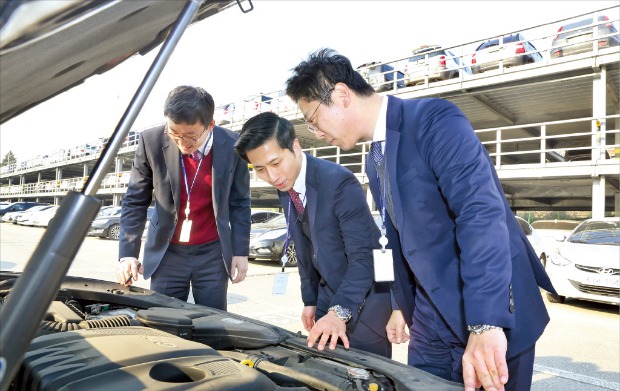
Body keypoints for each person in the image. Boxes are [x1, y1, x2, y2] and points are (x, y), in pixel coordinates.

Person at [284, 48, 557, 391]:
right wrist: (399, 304)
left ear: (341, 95)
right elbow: (396, 240)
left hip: (491, 309)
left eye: (313, 119)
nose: (315, 132)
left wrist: (486, 323)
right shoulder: (375, 159)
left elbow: (480, 216)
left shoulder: (433, 121)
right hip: (429, 319)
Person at [234, 112, 392, 358]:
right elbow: (303, 245)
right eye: (261, 169)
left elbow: (364, 258)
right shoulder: (285, 185)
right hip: (326, 299)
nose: (271, 177)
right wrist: (310, 300)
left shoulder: (340, 183)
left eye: (275, 163)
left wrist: (338, 313)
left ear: (295, 146)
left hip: (363, 304)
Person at [117, 85, 251, 311]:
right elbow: (135, 200)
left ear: (210, 125)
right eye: (174, 133)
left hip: (213, 253)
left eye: (190, 136)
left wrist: (240, 250)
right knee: (162, 319)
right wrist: (128, 255)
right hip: (168, 252)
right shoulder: (150, 141)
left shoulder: (233, 145)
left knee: (213, 322)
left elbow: (240, 203)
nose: (181, 143)